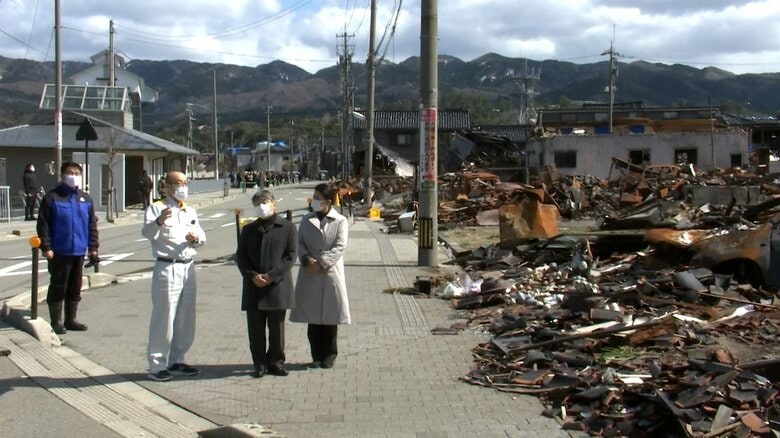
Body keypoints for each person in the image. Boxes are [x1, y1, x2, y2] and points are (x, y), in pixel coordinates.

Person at [141, 170, 206, 382]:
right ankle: (157, 363)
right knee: (164, 315)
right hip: (167, 267)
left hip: (188, 266)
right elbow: (147, 233)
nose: (182, 187)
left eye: (185, 182)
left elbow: (202, 237)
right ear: (167, 186)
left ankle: (177, 359)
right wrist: (159, 221)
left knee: (185, 316)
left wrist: (195, 238)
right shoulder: (156, 208)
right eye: (178, 183)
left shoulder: (190, 211)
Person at [290, 183, 351, 369]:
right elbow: (298, 243)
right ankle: (316, 355)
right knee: (313, 317)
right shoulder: (307, 219)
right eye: (314, 196)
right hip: (310, 272)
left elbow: (340, 246)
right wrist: (307, 260)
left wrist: (322, 262)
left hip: (330, 272)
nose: (315, 200)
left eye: (318, 197)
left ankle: (329, 355)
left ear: (328, 201)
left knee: (330, 317)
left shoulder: (340, 221)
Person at [236, 190, 296, 378]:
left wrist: (271, 276)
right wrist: (252, 275)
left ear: (273, 203)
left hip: (277, 286)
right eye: (257, 203)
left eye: (265, 201)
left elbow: (290, 256)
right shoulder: (248, 230)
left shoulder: (287, 227)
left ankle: (276, 362)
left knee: (277, 328)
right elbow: (241, 257)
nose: (262, 206)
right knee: (255, 328)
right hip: (253, 286)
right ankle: (259, 363)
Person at [37, 162, 99, 335]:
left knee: (75, 286)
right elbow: (43, 224)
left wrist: (93, 247)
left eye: (77, 173)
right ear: (62, 175)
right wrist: (46, 246)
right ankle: (56, 321)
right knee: (58, 286)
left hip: (79, 251)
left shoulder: (85, 199)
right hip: (59, 251)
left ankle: (71, 319)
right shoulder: (52, 197)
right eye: (70, 172)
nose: (74, 175)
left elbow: (91, 225)